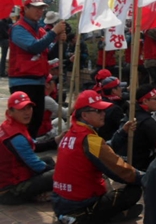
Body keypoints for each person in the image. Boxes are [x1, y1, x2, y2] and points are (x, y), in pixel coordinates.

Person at [52, 90, 143, 223]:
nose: (103, 114)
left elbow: (104, 150)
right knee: (133, 191)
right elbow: (121, 171)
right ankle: (85, 217)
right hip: (79, 204)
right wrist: (150, 177)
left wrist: (122, 132)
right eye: (98, 111)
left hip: (59, 202)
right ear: (84, 115)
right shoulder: (89, 139)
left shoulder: (70, 134)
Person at [8, 0, 66, 138]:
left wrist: (58, 40)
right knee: (23, 121)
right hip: (23, 82)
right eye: (36, 8)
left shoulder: (39, 30)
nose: (39, 12)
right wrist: (53, 33)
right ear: (26, 8)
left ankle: (29, 149)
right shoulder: (18, 29)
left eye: (42, 8)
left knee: (35, 121)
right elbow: (34, 47)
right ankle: (19, 152)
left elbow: (48, 53)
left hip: (39, 81)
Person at [0, 92, 57, 205]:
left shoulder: (9, 125)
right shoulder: (16, 137)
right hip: (9, 192)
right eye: (21, 109)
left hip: (10, 178)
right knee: (57, 174)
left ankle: (48, 192)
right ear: (10, 112)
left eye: (29, 108)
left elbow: (33, 145)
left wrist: (56, 141)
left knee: (48, 160)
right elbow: (36, 165)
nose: (27, 113)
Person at [131, 85, 156, 170]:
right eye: (155, 99)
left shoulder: (132, 112)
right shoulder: (147, 123)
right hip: (143, 167)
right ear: (145, 101)